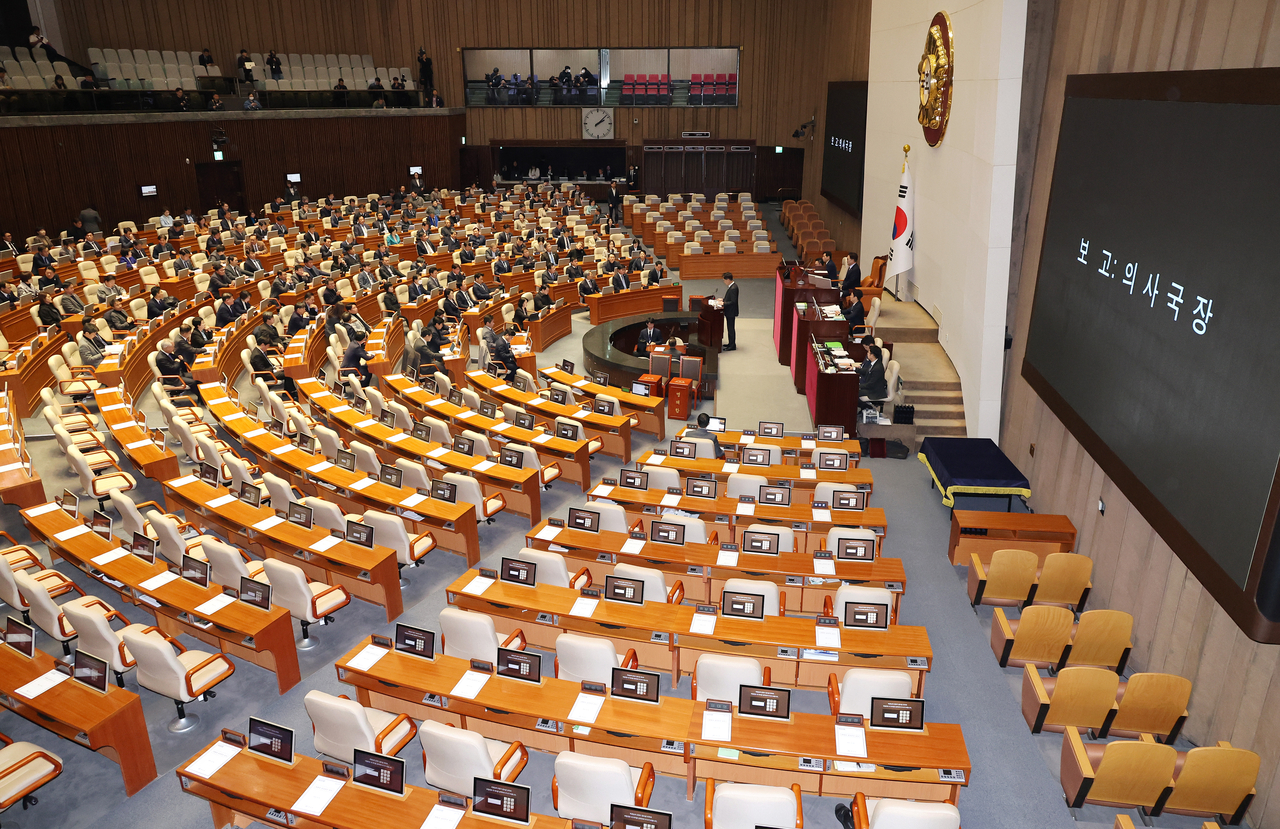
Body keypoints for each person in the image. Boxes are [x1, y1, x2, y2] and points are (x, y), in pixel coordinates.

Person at [719, 272, 739, 351]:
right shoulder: (731, 286)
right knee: (729, 328)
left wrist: (723, 303)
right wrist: (722, 300)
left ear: (728, 279)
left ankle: (732, 345)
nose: (724, 282)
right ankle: (730, 343)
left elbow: (733, 301)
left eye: (724, 280)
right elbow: (729, 298)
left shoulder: (734, 288)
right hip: (729, 311)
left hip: (731, 311)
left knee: (731, 328)